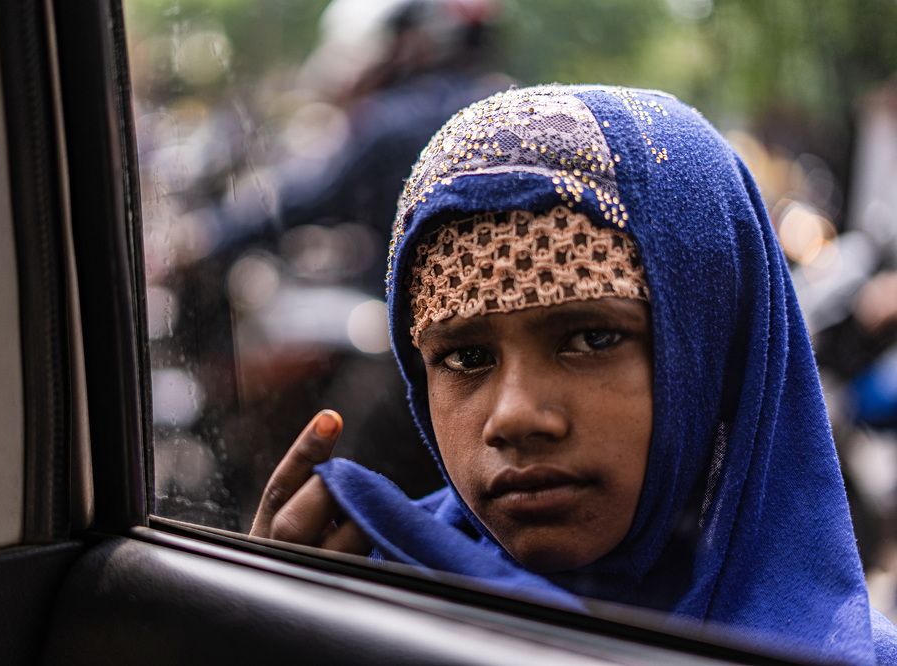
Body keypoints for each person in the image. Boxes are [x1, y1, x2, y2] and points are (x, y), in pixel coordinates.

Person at [249, 84, 897, 663]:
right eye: (465, 357)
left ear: (714, 357)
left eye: (591, 338)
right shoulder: (372, 605)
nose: (515, 416)